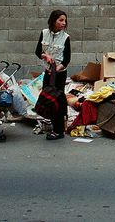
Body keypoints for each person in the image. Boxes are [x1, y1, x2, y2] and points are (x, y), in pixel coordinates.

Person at [35, 9, 71, 140]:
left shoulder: (66, 37)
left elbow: (67, 60)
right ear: (53, 20)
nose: (63, 23)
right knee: (47, 99)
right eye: (60, 20)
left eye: (65, 20)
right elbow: (38, 51)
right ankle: (52, 125)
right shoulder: (44, 33)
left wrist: (56, 69)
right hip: (48, 73)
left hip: (59, 74)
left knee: (57, 102)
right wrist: (46, 56)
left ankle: (59, 131)